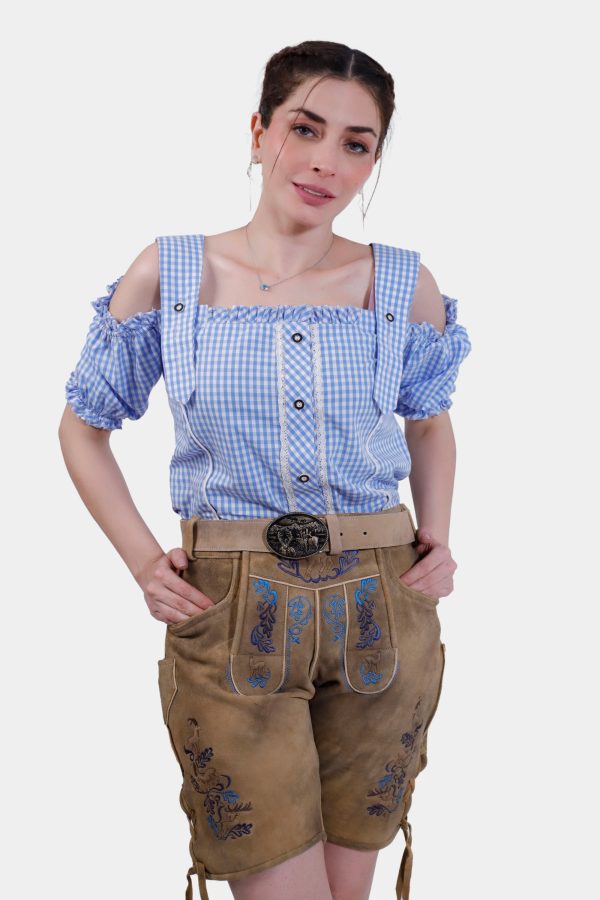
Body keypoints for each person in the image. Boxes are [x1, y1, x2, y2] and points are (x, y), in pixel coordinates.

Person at [58, 40, 472, 900]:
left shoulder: (400, 284)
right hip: (230, 607)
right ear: (258, 132)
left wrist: (436, 537)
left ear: (374, 161)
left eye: (356, 144)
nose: (326, 162)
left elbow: (429, 422)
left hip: (382, 605)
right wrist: (143, 562)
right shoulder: (173, 274)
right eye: (304, 129)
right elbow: (82, 429)